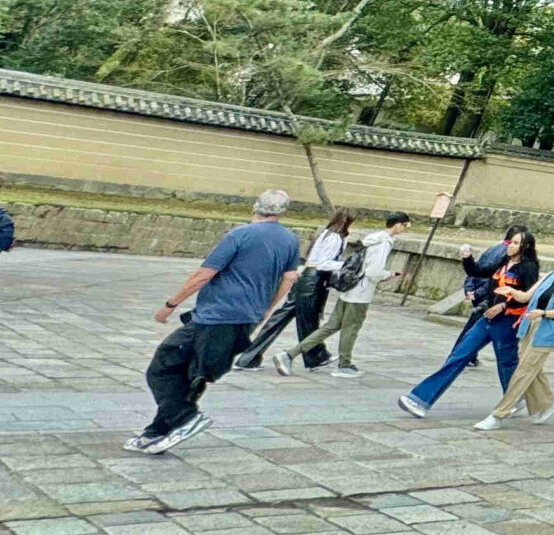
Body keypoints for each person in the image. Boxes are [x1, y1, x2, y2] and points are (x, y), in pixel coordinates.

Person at [128, 188, 302, 453]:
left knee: (162, 366)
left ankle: (185, 417)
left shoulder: (239, 235)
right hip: (247, 318)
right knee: (196, 373)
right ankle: (159, 430)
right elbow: (289, 279)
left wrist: (170, 305)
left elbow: (204, 274)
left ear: (255, 206)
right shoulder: (290, 240)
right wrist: (267, 309)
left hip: (217, 316)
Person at [399, 226, 538, 418]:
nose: (510, 245)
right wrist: (467, 257)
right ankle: (421, 399)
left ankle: (517, 397)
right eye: (510, 241)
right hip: (487, 318)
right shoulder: (503, 262)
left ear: (525, 246)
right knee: (460, 355)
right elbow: (478, 271)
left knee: (507, 363)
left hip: (507, 321)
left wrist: (505, 306)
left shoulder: (529, 268)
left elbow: (529, 296)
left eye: (515, 243)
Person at [284, 210, 408, 376]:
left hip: (348, 289)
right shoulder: (384, 243)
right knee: (351, 328)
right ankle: (344, 364)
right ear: (398, 224)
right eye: (405, 225)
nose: (405, 229)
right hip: (361, 292)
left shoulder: (372, 238)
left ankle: (290, 354)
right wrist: (388, 274)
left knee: (331, 326)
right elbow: (372, 272)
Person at [479, 244, 554, 429]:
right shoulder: (550, 275)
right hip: (531, 326)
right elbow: (525, 297)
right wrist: (511, 291)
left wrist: (544, 314)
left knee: (522, 372)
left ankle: (498, 415)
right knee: (531, 368)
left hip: (547, 330)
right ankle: (547, 403)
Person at [238, 209, 351, 370]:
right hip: (314, 280)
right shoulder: (334, 238)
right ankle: (314, 356)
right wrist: (346, 264)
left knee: (283, 319)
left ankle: (248, 358)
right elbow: (322, 263)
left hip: (306, 278)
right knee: (307, 321)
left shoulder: (324, 233)